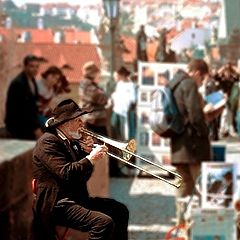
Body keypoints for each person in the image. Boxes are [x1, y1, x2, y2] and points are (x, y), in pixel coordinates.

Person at [32, 99, 129, 240]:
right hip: (57, 204)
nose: (82, 124)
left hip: (75, 199)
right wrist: (91, 158)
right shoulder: (48, 142)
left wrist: (86, 154)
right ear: (66, 123)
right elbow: (66, 173)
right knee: (103, 223)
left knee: (120, 210)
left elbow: (82, 178)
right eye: (78, 120)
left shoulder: (71, 143)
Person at [168, 59, 211, 218]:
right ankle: (200, 224)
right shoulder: (189, 84)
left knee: (182, 185)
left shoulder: (174, 83)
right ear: (198, 74)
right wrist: (206, 131)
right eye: (202, 79)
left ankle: (181, 222)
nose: (200, 83)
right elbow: (195, 116)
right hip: (192, 145)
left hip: (178, 144)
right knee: (200, 185)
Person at [5, 54, 43, 140]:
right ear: (25, 67)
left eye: (37, 67)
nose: (35, 69)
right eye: (31, 66)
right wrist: (35, 128)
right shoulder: (18, 84)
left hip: (29, 123)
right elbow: (22, 109)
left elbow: (33, 105)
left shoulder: (32, 81)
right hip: (18, 126)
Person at [110, 66, 137, 177]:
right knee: (116, 137)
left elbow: (132, 100)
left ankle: (129, 165)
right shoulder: (119, 85)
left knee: (127, 139)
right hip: (117, 112)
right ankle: (121, 163)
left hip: (125, 114)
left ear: (121, 75)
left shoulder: (130, 85)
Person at [78, 61, 108, 137]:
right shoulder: (86, 84)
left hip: (95, 120)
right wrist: (104, 95)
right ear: (92, 73)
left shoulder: (90, 84)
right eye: (97, 73)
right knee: (99, 143)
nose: (98, 75)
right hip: (92, 120)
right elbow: (100, 98)